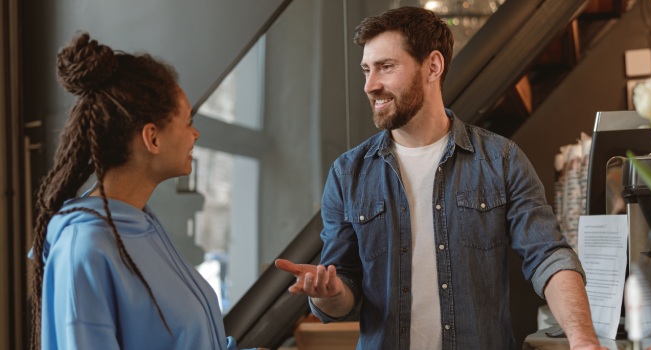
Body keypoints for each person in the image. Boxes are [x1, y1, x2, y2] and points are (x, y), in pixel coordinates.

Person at [275, 6, 605, 350]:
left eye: (386, 67)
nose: (371, 85)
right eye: (366, 70)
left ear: (432, 66)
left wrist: (583, 341)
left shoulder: (501, 160)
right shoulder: (348, 174)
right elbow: (342, 292)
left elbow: (548, 256)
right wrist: (327, 294)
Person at [28, 33, 243, 350]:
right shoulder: (84, 249)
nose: (195, 134)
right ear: (152, 139)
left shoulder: (140, 225)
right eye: (187, 122)